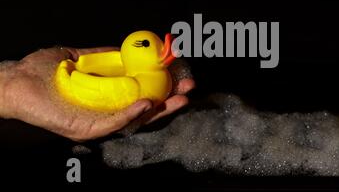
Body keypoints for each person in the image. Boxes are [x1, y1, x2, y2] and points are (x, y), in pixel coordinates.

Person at [0, 47, 195, 142]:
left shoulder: (154, 75)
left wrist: (11, 79)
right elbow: (77, 83)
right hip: (70, 81)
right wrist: (10, 87)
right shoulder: (131, 86)